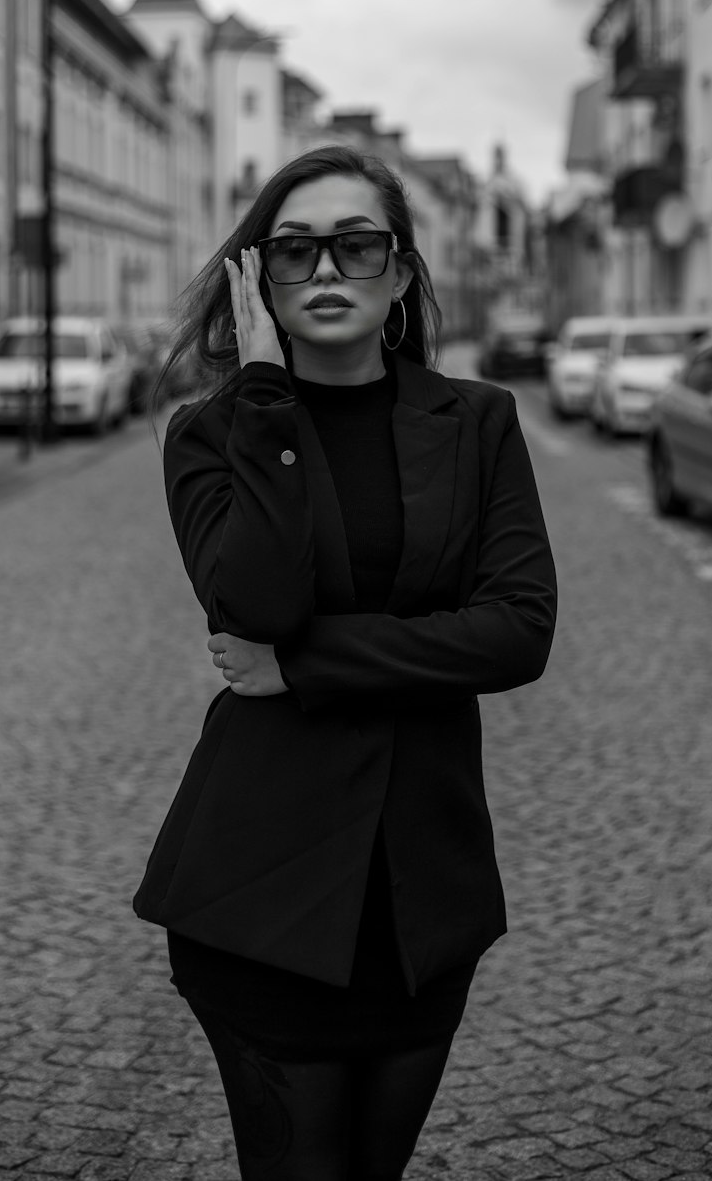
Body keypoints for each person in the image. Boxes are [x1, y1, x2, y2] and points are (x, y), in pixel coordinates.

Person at [133, 145, 557, 1180]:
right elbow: (257, 603)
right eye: (295, 252)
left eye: (356, 247)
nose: (326, 272)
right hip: (262, 888)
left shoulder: (477, 423)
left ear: (401, 274)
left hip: (423, 892)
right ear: (258, 279)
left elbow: (517, 631)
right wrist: (269, 393)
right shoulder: (210, 435)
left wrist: (305, 667)